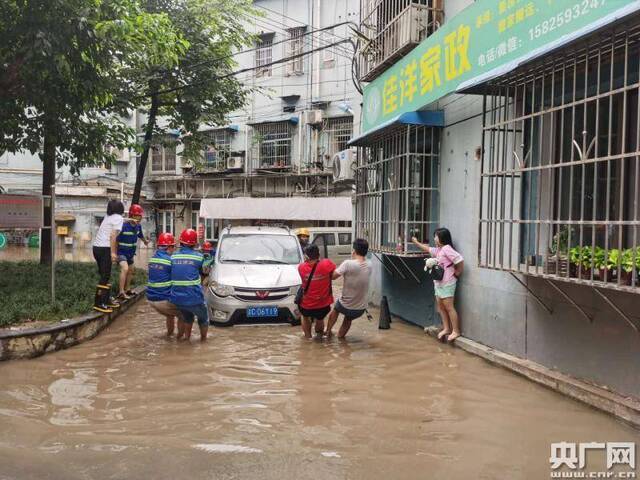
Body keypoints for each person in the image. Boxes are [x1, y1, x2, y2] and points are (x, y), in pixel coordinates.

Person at [412, 228, 464, 343]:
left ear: (442, 238)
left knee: (449, 307)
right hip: (438, 283)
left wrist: (458, 272)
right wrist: (416, 242)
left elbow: (459, 259)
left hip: (448, 283)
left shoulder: (446, 248)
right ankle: (446, 328)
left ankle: (455, 331)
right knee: (441, 307)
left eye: (436, 236)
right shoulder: (439, 250)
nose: (434, 238)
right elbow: (428, 249)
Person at [325, 238, 371, 339]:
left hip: (345, 305)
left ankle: (328, 332)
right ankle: (340, 338)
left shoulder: (348, 263)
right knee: (348, 319)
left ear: (354, 250)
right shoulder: (370, 264)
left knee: (336, 309)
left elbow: (333, 277)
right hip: (360, 309)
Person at [170, 228, 210, 341]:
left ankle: (186, 339)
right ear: (194, 244)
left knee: (188, 317)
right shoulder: (199, 257)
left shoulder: (173, 257)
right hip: (194, 298)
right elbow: (205, 272)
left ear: (181, 242)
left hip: (177, 298)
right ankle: (204, 341)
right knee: (203, 318)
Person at [147, 232, 184, 338]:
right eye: (173, 247)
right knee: (183, 314)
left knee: (170, 314)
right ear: (169, 247)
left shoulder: (152, 258)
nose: (174, 250)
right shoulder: (170, 261)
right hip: (162, 300)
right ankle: (180, 340)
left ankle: (169, 335)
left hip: (150, 299)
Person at [91, 200, 124, 313]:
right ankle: (99, 303)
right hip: (105, 248)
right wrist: (113, 253)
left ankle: (106, 300)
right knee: (105, 276)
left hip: (96, 248)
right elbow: (113, 236)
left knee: (104, 275)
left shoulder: (108, 217)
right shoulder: (118, 218)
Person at [297, 244, 336, 339]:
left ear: (306, 256)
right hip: (323, 304)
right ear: (318, 254)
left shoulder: (301, 267)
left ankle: (308, 337)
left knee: (305, 317)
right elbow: (334, 274)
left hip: (307, 304)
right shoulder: (327, 264)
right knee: (320, 318)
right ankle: (319, 337)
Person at [116, 204, 149, 301]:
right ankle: (121, 292)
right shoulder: (123, 225)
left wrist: (145, 241)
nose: (139, 218)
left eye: (140, 216)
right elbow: (115, 239)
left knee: (131, 270)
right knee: (125, 269)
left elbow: (140, 236)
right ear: (132, 215)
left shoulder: (138, 226)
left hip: (130, 253)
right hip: (121, 252)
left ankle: (127, 289)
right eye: (137, 215)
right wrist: (113, 253)